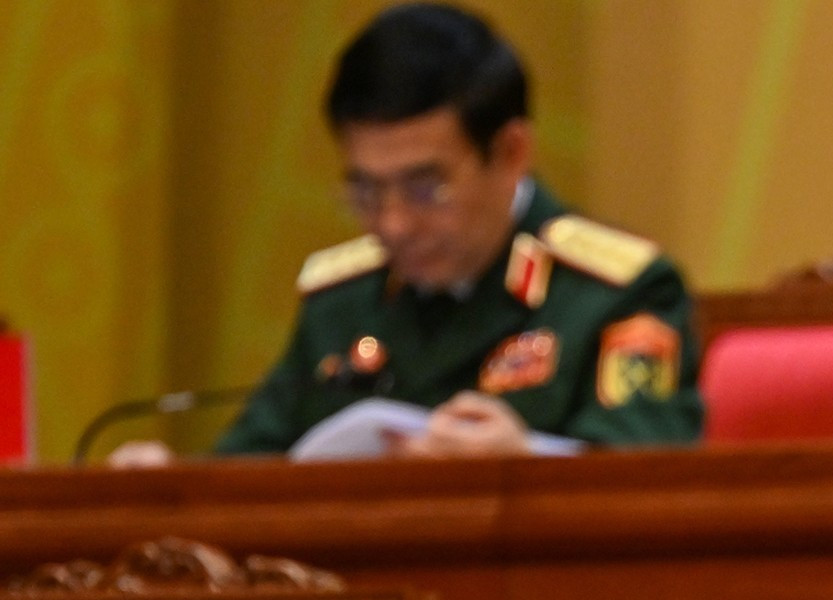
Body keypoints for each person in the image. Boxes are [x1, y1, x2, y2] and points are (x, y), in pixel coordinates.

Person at [113, 3, 701, 464]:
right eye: (366, 191)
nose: (393, 223)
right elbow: (252, 467)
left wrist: (523, 465)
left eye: (425, 188)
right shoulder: (341, 303)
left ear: (510, 153)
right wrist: (169, 480)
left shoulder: (617, 292)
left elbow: (648, 477)